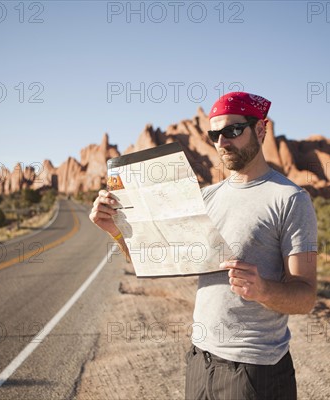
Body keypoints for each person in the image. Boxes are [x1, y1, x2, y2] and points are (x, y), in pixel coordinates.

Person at [89, 91, 318, 399]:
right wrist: (114, 231)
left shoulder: (290, 199)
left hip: (255, 369)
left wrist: (263, 290)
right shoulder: (207, 198)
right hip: (201, 360)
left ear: (260, 130)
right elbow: (154, 259)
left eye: (233, 131)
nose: (223, 142)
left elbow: (305, 297)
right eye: (215, 134)